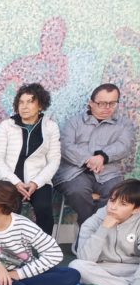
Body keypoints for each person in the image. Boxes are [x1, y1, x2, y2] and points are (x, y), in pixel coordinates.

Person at [53, 84, 136, 223]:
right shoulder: (75, 122)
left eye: (112, 103)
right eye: (102, 103)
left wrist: (102, 156)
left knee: (116, 194)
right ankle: (90, 228)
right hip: (75, 172)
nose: (107, 108)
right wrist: (88, 159)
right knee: (77, 191)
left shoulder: (124, 124)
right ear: (91, 103)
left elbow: (125, 145)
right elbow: (65, 145)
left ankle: (99, 230)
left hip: (109, 173)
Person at [0, 83, 61, 235]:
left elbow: (54, 160)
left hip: (38, 180)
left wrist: (36, 182)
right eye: (21, 102)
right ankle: (8, 245)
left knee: (43, 208)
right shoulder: (7, 126)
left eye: (30, 102)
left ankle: (44, 245)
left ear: (40, 105)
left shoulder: (50, 127)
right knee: (10, 208)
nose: (24, 106)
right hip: (9, 180)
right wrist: (16, 182)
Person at [69, 179, 140, 285]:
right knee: (76, 266)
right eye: (112, 200)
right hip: (104, 268)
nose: (113, 207)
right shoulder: (92, 222)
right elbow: (85, 259)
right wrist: (103, 228)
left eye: (123, 204)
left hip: (133, 269)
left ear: (136, 209)